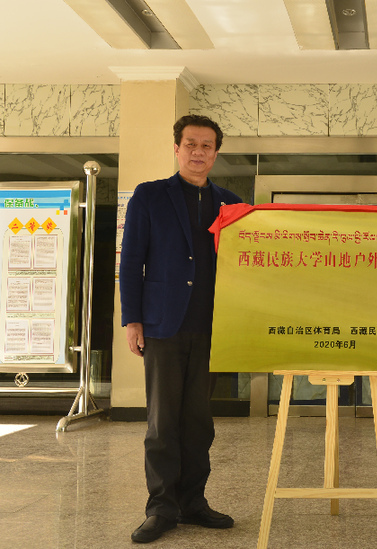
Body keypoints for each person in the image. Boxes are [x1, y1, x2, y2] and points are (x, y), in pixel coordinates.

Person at [120, 114, 243, 544]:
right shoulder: (150, 195)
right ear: (177, 148)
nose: (198, 152)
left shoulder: (230, 203)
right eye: (190, 144)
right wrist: (133, 319)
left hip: (212, 328)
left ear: (216, 153)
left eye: (207, 145)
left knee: (198, 422)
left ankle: (193, 502)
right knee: (162, 423)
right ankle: (161, 507)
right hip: (162, 325)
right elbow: (131, 261)